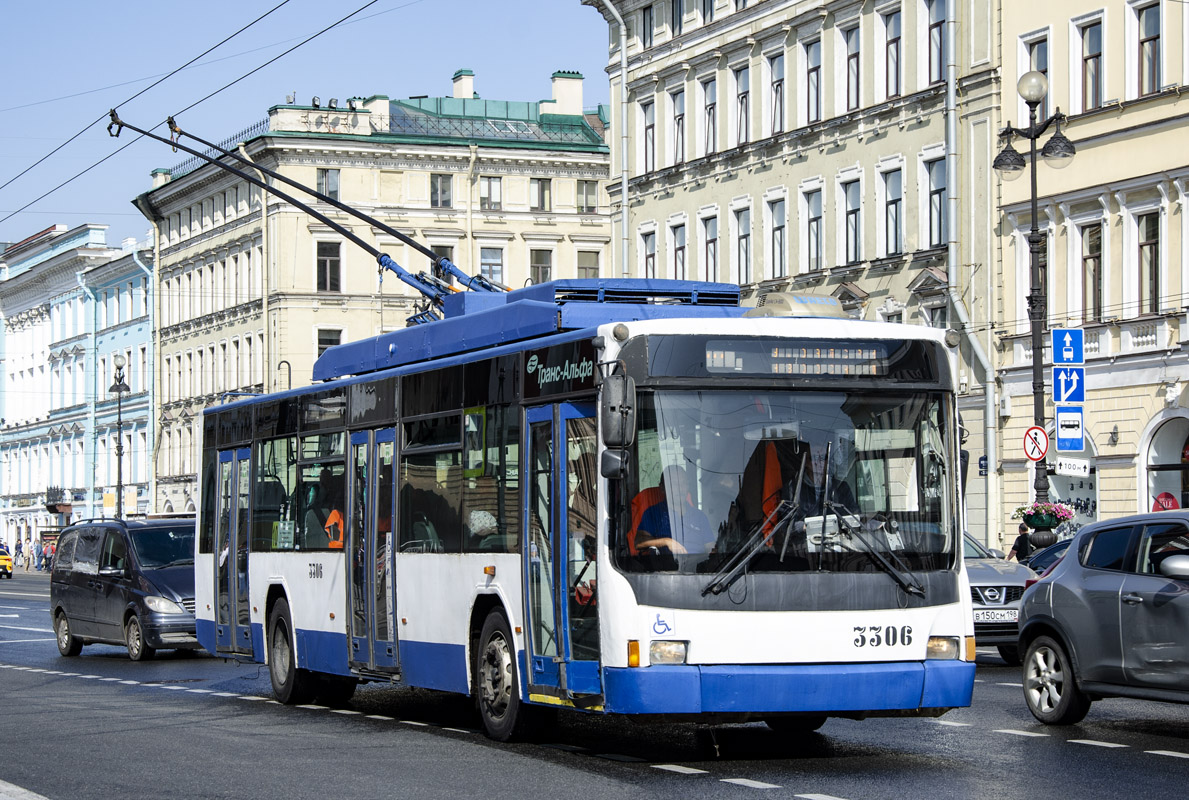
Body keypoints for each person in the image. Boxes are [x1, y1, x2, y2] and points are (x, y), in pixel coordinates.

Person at [632, 465, 715, 556]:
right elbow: (639, 542)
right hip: (667, 566)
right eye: (674, 484)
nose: (680, 488)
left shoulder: (699, 516)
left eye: (683, 483)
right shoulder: (653, 513)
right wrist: (666, 541)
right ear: (662, 488)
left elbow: (710, 547)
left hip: (699, 566)